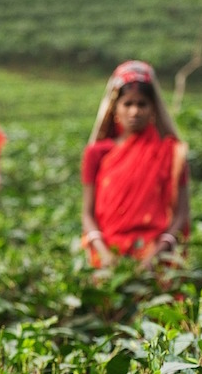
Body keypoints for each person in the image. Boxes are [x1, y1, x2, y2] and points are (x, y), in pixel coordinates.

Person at [81, 60, 190, 270]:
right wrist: (103, 253)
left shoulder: (171, 153)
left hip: (155, 256)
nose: (134, 111)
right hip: (107, 256)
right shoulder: (97, 154)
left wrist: (156, 255)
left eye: (142, 104)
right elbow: (87, 213)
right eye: (128, 104)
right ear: (115, 109)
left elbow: (181, 214)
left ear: (153, 110)